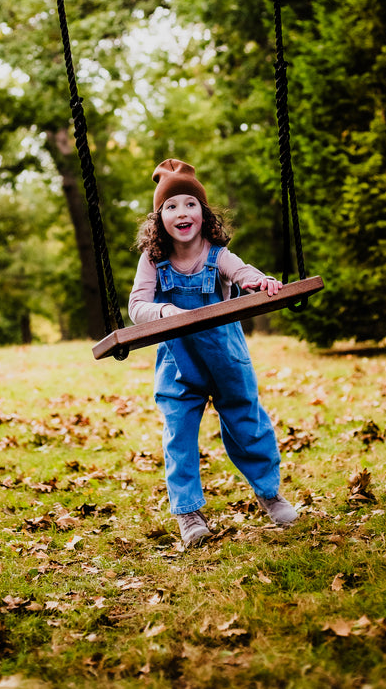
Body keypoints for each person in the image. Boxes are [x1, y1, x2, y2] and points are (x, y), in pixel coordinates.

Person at [129, 158, 298, 547]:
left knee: (246, 422)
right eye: (170, 206)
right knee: (178, 434)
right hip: (178, 363)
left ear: (203, 214)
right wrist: (164, 310)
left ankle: (269, 494)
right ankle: (188, 512)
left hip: (226, 356)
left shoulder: (217, 254)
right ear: (159, 219)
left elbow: (243, 274)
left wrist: (259, 282)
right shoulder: (153, 261)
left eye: (190, 204)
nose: (181, 212)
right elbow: (138, 307)